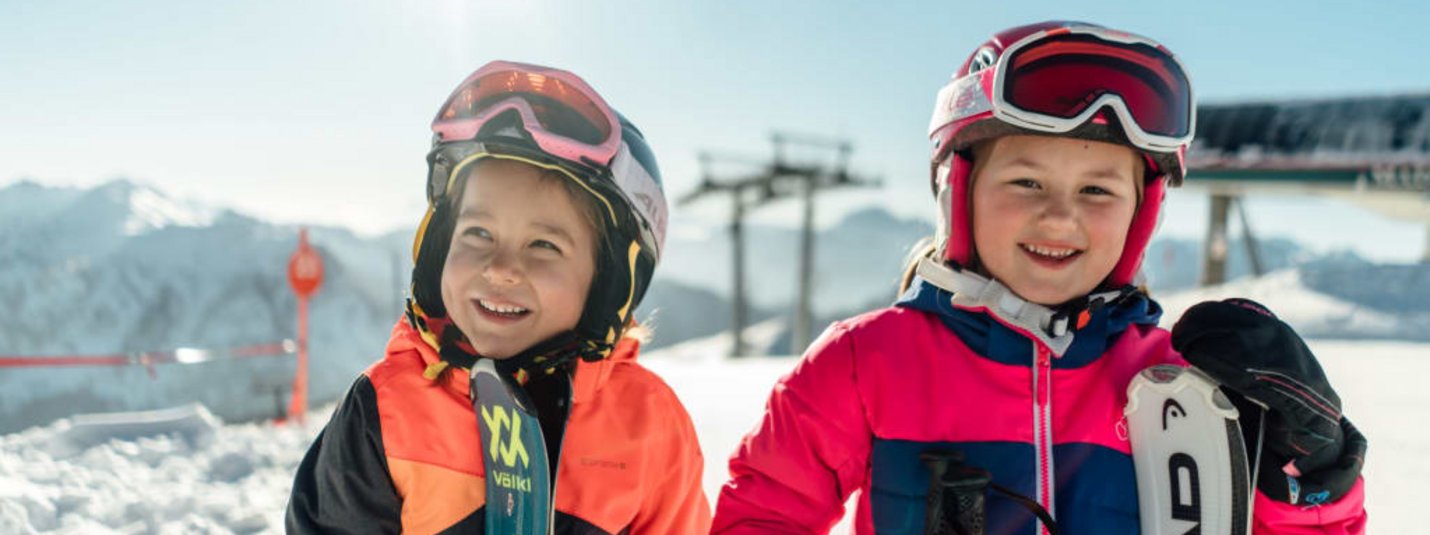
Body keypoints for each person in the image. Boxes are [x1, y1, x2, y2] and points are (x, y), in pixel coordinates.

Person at [711, 21, 1367, 534]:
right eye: (1026, 181)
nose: (1061, 215)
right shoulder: (866, 362)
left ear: (1143, 214)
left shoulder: (1180, 381)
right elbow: (764, 515)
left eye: (1098, 190)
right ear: (959, 193)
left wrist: (1310, 478)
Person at [286, 60, 710, 534]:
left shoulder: (649, 427)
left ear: (610, 282)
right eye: (478, 232)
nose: (501, 268)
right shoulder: (386, 410)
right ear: (440, 242)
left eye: (544, 245)